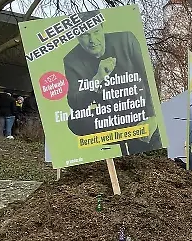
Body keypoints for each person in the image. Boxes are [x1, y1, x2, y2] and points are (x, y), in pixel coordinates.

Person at [62, 12, 161, 155]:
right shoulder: (71, 60)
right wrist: (98, 78)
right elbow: (75, 103)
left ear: (102, 28)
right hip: (108, 117)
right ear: (77, 37)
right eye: (85, 35)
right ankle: (121, 143)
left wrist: (152, 116)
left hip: (136, 110)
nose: (92, 40)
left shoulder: (126, 40)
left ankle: (137, 140)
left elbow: (148, 78)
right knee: (74, 120)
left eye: (96, 32)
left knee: (148, 147)